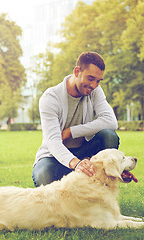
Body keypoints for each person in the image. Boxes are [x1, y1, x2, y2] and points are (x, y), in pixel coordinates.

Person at [32, 51, 119, 187]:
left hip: (85, 151)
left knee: (109, 136)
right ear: (77, 71)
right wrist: (75, 163)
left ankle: (102, 191)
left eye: (98, 81)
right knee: (43, 174)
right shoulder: (50, 98)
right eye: (90, 79)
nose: (94, 85)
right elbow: (53, 141)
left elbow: (111, 121)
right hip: (55, 156)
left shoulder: (95, 91)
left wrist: (72, 131)